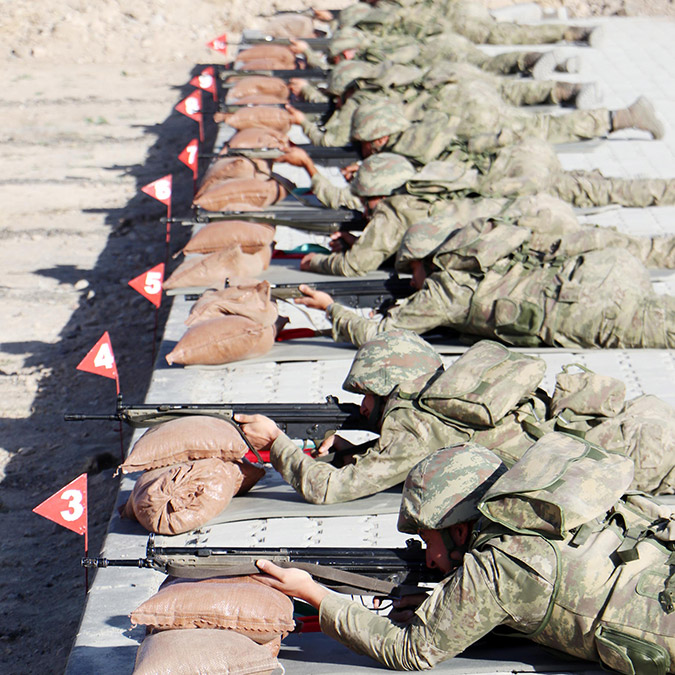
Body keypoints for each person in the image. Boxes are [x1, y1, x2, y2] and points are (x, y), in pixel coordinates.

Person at [254, 435, 675, 672]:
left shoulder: (502, 564)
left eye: (427, 540)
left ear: (458, 530)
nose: (428, 558)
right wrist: (445, 607)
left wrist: (314, 594)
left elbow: (410, 650)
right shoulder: (554, 506)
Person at [295, 214, 675, 349]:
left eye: (413, 270)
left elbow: (381, 336)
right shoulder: (480, 247)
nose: (411, 282)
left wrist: (331, 309)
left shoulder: (445, 292)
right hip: (601, 269)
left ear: (429, 261)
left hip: (589, 310)